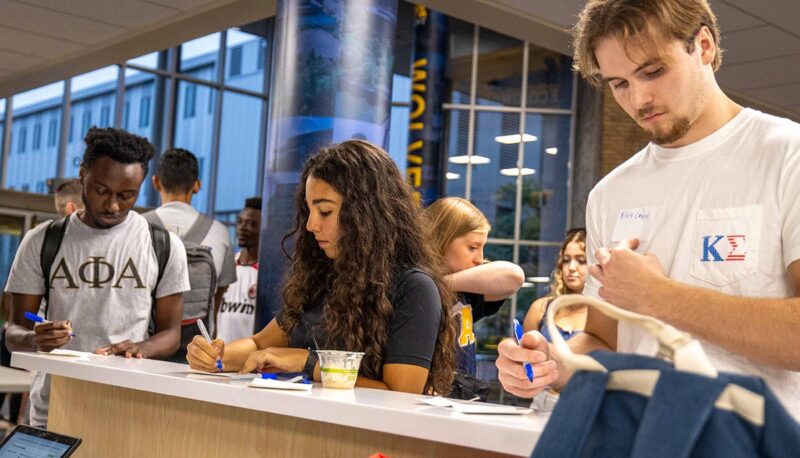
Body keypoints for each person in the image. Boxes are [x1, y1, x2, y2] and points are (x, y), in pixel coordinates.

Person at [496, 0, 800, 420]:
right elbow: (606, 342)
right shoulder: (611, 192)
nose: (639, 99)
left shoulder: (788, 154)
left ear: (705, 45)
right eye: (618, 83)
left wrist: (660, 296)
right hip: (637, 438)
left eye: (653, 72)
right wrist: (552, 363)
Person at [188, 140, 456, 395]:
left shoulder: (414, 287)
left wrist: (308, 362)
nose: (311, 225)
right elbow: (259, 344)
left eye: (325, 212)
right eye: (309, 211)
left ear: (366, 214)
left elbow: (401, 394)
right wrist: (215, 356)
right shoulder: (320, 277)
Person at [4, 127, 190, 428]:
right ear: (83, 175)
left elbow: (171, 335)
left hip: (128, 409)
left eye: (127, 195)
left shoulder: (164, 245)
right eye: (102, 191)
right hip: (54, 406)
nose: (113, 205)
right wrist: (35, 338)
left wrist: (142, 347)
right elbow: (13, 332)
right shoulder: (42, 241)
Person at [148, 148, 237, 359]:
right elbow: (218, 295)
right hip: (198, 352)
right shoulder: (220, 231)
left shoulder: (139, 227)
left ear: (156, 182)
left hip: (146, 347)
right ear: (197, 185)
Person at [423, 197, 523, 382]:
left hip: (462, 396)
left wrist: (438, 282)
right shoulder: (414, 291)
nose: (480, 258)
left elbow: (514, 276)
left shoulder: (468, 288)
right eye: (472, 247)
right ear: (441, 239)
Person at [523, 228, 587, 342]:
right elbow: (524, 355)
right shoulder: (541, 308)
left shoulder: (609, 313)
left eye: (582, 260)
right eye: (566, 260)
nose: (571, 267)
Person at [216, 197, 261, 342]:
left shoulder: (267, 274)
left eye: (251, 224)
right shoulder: (226, 265)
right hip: (219, 358)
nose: (242, 227)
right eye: (240, 222)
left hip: (249, 360)